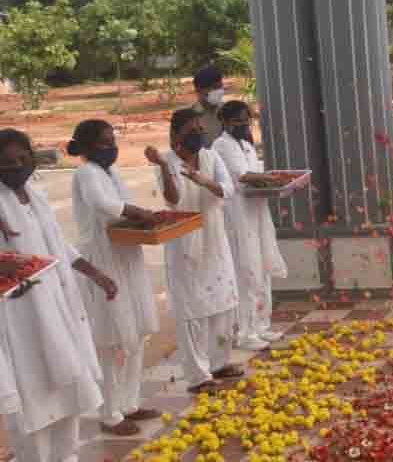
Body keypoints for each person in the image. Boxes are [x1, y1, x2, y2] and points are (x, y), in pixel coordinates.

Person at [0, 129, 108, 462]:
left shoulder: (36, 195)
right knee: (31, 388)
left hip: (58, 303)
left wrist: (93, 273)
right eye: (7, 162)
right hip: (18, 314)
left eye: (21, 159)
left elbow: (57, 245)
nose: (16, 167)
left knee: (67, 375)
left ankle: (65, 459)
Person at [68, 120, 163, 437]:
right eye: (104, 143)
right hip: (103, 259)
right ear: (87, 147)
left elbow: (122, 208)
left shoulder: (112, 173)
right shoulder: (85, 174)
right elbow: (106, 206)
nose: (111, 147)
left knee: (136, 332)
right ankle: (109, 413)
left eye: (113, 140)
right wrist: (140, 212)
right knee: (111, 339)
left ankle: (130, 403)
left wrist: (144, 216)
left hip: (126, 252)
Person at [145, 110, 243, 394]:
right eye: (191, 129)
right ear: (176, 136)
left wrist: (202, 180)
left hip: (214, 237)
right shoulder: (167, 161)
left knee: (223, 303)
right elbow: (172, 198)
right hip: (184, 241)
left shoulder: (212, 157)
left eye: (200, 127)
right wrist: (164, 166)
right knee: (192, 311)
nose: (198, 133)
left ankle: (219, 362)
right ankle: (198, 375)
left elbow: (227, 189)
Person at [213, 101, 287, 351]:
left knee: (263, 267)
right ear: (225, 122)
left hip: (257, 213)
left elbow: (257, 174)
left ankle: (262, 325)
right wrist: (275, 178)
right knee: (246, 271)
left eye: (247, 120)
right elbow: (243, 176)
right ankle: (245, 331)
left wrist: (276, 181)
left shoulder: (245, 144)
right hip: (239, 217)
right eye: (239, 121)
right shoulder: (222, 145)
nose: (244, 125)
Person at [191, 65, 226, 146]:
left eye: (220, 86)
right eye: (214, 87)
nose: (219, 91)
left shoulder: (228, 110)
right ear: (199, 90)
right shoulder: (190, 116)